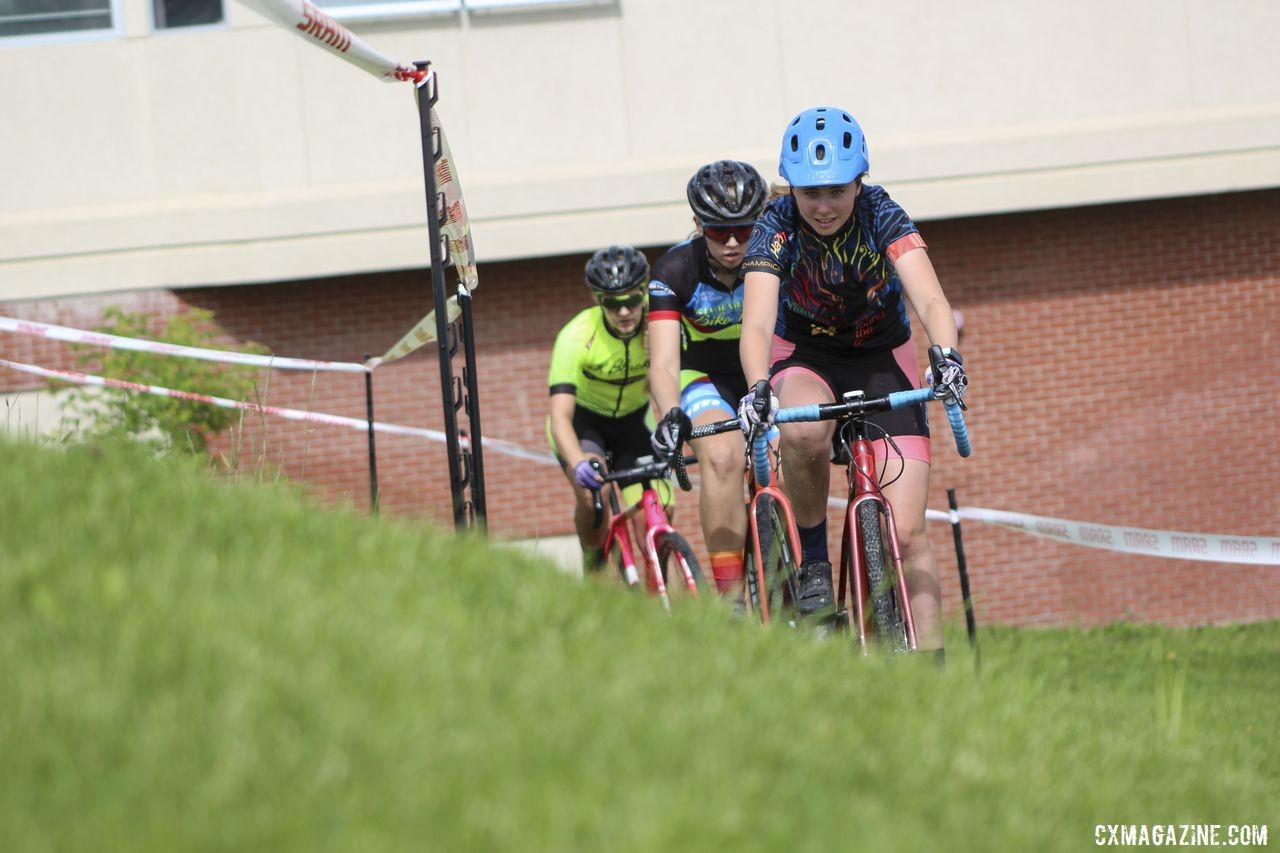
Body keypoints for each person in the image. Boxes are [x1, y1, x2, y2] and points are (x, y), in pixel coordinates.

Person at [737, 106, 970, 656]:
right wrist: (755, 388)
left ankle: (934, 675)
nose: (822, 207)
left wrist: (948, 357)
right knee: (800, 435)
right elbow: (756, 323)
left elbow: (931, 299)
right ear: (790, 188)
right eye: (809, 193)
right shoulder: (775, 225)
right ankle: (815, 561)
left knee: (911, 535)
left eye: (836, 191)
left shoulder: (881, 213)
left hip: (881, 354)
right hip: (807, 356)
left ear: (859, 182)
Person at [648, 160, 769, 597]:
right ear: (699, 225)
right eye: (719, 232)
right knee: (721, 457)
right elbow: (662, 363)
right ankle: (731, 596)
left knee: (792, 449)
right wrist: (671, 413)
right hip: (704, 376)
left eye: (745, 229)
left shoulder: (778, 255)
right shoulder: (674, 271)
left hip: (766, 369)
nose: (734, 242)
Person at [548, 244, 668, 573]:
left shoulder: (659, 323)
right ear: (598, 300)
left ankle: (656, 588)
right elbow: (559, 416)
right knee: (593, 495)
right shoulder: (576, 336)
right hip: (585, 425)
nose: (625, 312)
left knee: (659, 508)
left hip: (633, 421)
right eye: (612, 304)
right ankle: (594, 563)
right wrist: (577, 463)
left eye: (631, 300)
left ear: (643, 293)